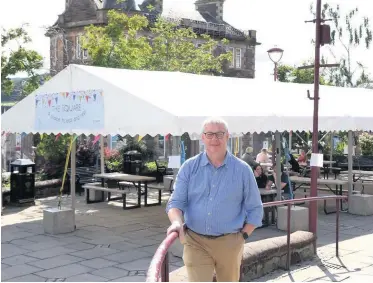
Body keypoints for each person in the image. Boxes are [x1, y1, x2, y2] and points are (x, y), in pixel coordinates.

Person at [166, 117, 263, 282]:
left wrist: (243, 236)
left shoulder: (242, 170)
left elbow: (255, 208)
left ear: (227, 136)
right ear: (202, 137)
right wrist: (176, 222)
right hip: (195, 241)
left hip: (230, 242)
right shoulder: (189, 167)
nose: (214, 139)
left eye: (219, 134)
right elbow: (176, 203)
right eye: (209, 134)